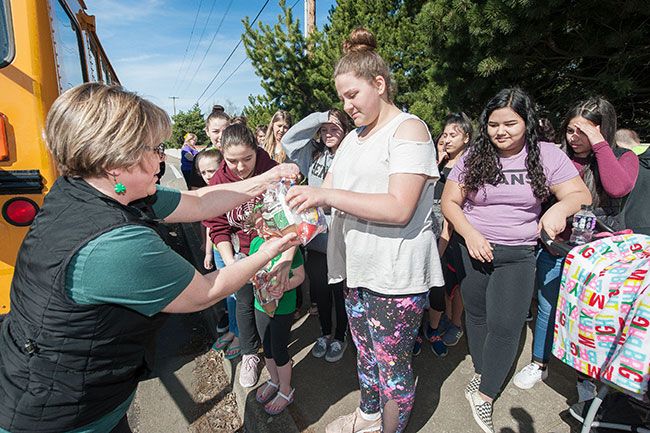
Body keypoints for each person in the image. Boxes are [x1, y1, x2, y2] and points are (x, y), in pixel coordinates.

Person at [0, 83, 299, 433]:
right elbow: (203, 292)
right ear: (116, 160)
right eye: (155, 149)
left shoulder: (97, 190)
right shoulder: (116, 242)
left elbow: (201, 203)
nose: (162, 157)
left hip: (64, 390)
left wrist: (267, 178)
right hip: (64, 416)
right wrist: (269, 251)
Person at [286, 28, 444, 433]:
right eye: (341, 97)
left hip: (395, 274)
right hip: (357, 266)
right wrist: (289, 216)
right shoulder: (353, 139)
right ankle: (368, 416)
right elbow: (326, 194)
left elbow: (398, 207)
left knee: (394, 369)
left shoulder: (409, 129)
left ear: (379, 84)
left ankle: (388, 428)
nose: (346, 106)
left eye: (352, 95)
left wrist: (325, 197)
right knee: (367, 354)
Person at [441, 87, 591, 433]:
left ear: (527, 122)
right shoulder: (474, 155)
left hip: (519, 254)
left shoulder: (547, 154)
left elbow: (578, 194)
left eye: (510, 123)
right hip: (473, 249)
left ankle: (486, 394)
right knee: (476, 316)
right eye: (493, 124)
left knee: (506, 326)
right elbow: (450, 202)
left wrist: (559, 208)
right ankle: (482, 373)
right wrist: (471, 233)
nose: (500, 131)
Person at [513, 97, 639, 398]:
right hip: (557, 247)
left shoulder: (623, 156)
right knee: (546, 307)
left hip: (599, 259)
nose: (574, 138)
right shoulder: (560, 157)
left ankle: (588, 380)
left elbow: (618, 188)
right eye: (570, 130)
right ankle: (539, 363)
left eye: (583, 131)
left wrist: (599, 144)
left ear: (602, 128)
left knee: (591, 318)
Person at [204, 122, 297, 389]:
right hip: (240, 250)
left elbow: (291, 216)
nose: (241, 167)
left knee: (273, 306)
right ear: (221, 154)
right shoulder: (218, 181)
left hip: (274, 248)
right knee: (243, 302)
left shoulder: (270, 171)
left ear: (257, 150)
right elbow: (218, 225)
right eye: (232, 161)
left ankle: (274, 353)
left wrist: (285, 259)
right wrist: (233, 264)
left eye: (247, 158)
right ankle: (249, 354)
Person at [282, 109, 352, 362]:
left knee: (340, 292)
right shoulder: (312, 155)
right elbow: (288, 141)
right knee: (320, 291)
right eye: (324, 129)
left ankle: (341, 335)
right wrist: (321, 116)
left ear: (346, 131)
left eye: (335, 128)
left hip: (342, 238)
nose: (329, 133)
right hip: (315, 238)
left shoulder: (353, 157)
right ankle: (324, 332)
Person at [424, 112, 472, 358]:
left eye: (454, 135)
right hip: (431, 230)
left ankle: (454, 324)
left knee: (453, 283)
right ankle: (434, 325)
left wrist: (443, 242)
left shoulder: (468, 166)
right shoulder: (439, 163)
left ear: (467, 138)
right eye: (444, 134)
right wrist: (437, 160)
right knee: (436, 285)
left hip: (452, 234)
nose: (447, 139)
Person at [250, 212, 305, 415]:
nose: (262, 231)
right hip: (260, 304)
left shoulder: (290, 248)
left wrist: (286, 285)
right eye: (258, 227)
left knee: (280, 349)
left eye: (266, 226)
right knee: (267, 346)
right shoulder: (256, 244)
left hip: (283, 307)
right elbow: (251, 270)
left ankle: (285, 389)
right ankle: (274, 380)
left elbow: (300, 276)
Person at [188, 105, 231, 190]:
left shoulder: (240, 154)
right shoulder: (201, 158)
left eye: (225, 131)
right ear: (207, 132)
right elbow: (195, 189)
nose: (221, 136)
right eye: (216, 131)